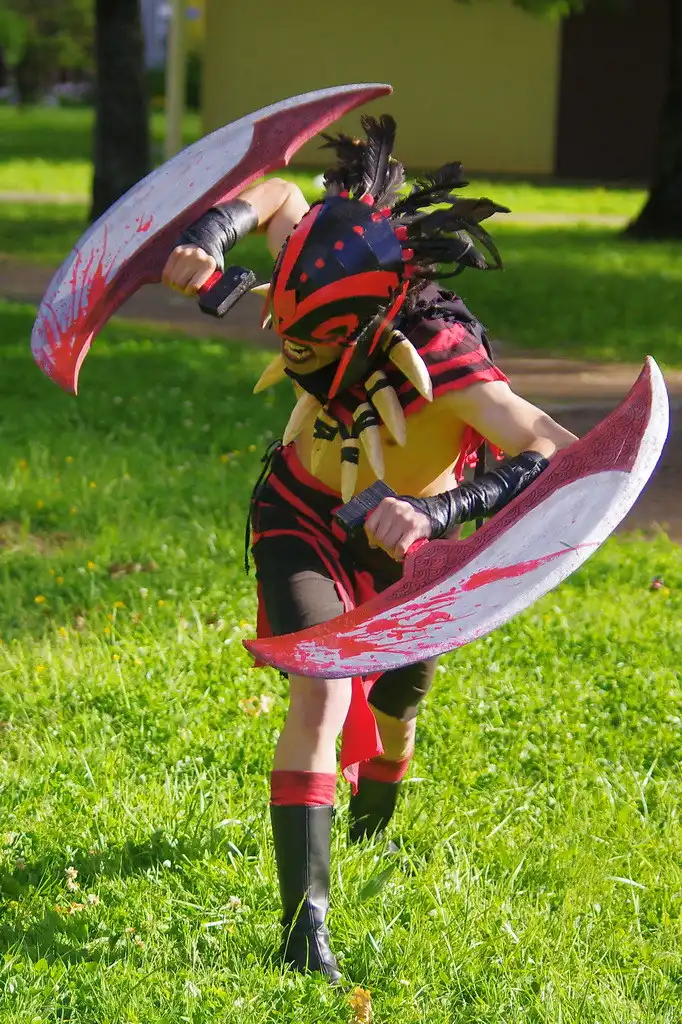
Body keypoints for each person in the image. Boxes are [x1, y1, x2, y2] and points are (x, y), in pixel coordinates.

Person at [161, 115, 577, 984]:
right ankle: (303, 930)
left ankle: (374, 819)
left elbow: (556, 447)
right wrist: (209, 237)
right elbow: (279, 193)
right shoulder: (320, 251)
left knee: (397, 709)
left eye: (311, 342)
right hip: (302, 513)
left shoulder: (445, 352)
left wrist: (441, 509)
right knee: (321, 681)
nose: (291, 352)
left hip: (412, 545)